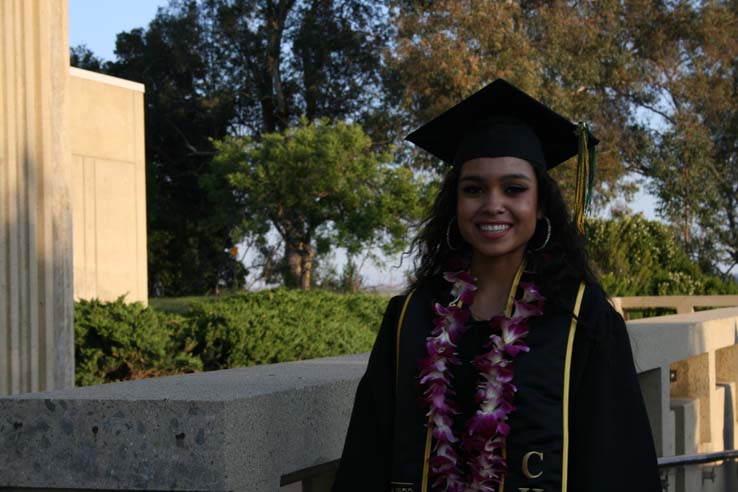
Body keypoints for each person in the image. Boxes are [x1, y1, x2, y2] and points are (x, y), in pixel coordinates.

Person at [332, 79, 662, 492]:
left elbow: (616, 463)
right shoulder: (410, 317)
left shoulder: (583, 318)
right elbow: (367, 454)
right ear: (455, 203)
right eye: (473, 189)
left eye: (514, 189)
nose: (492, 204)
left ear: (540, 205)